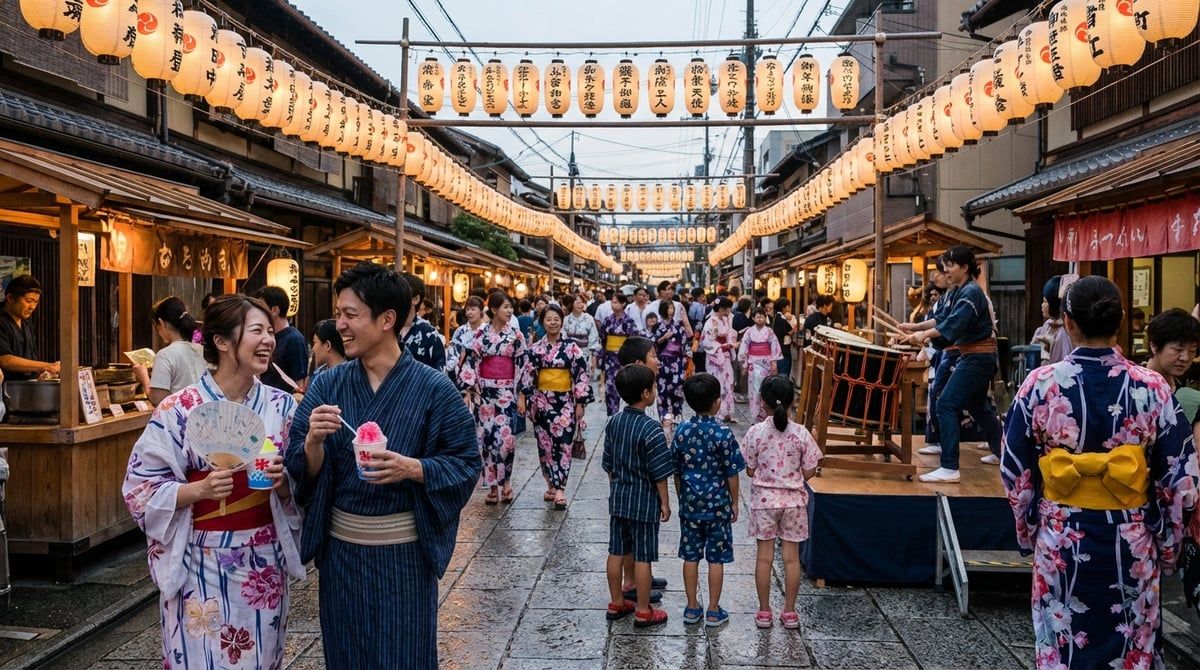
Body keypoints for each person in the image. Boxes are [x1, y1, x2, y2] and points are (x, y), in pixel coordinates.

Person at [285, 262, 480, 668]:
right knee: (346, 655)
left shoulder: (434, 388)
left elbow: (465, 462)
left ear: (387, 319)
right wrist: (313, 442)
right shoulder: (327, 385)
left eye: (350, 314)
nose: (339, 324)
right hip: (342, 554)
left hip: (404, 556)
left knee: (404, 655)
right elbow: (299, 470)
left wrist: (415, 468)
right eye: (339, 313)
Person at [1001, 276, 1199, 670]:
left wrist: (1030, 529)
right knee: (1131, 645)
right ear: (1121, 321)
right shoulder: (1153, 389)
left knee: (1062, 645)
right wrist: (1168, 545)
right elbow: (1180, 480)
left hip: (1061, 538)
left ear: (1068, 323)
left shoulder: (1039, 386)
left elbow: (1015, 472)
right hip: (1130, 540)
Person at [123, 294, 303, 669]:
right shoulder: (178, 409)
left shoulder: (282, 406)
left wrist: (283, 481)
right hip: (197, 559)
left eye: (271, 331)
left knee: (259, 658)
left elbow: (303, 483)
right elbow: (139, 487)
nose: (268, 340)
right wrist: (197, 490)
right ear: (220, 342)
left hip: (263, 561)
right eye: (256, 331)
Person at [901, 246, 1002, 483]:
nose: (945, 270)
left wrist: (923, 337)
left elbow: (954, 325)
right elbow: (944, 319)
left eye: (950, 266)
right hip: (973, 357)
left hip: (978, 357)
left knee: (945, 403)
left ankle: (949, 466)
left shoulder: (971, 292)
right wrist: (916, 328)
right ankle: (1003, 453)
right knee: (978, 407)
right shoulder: (959, 291)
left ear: (965, 267)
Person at [740, 375, 821, 630]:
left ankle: (764, 612)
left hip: (764, 502)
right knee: (791, 560)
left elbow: (749, 469)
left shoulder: (755, 432)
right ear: (792, 401)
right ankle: (789, 612)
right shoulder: (801, 434)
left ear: (762, 403)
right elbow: (810, 470)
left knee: (764, 559)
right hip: (794, 502)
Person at [603, 364, 673, 628]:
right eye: (654, 387)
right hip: (644, 502)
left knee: (616, 551)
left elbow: (608, 464)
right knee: (643, 556)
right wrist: (665, 503)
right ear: (646, 393)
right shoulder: (651, 429)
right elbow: (660, 472)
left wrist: (617, 489)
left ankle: (617, 601)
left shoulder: (614, 423)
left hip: (619, 498)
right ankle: (644, 610)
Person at [673, 373, 745, 627]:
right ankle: (714, 609)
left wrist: (682, 496)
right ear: (716, 403)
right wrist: (734, 502)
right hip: (717, 506)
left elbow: (677, 471)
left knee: (690, 556)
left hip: (691, 504)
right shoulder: (723, 434)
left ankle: (692, 607)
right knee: (716, 558)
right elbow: (732, 473)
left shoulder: (682, 431)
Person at [458, 291, 528, 504]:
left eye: (511, 307)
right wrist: (468, 389)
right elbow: (469, 361)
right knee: (487, 440)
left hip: (507, 392)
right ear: (494, 309)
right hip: (484, 393)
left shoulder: (516, 335)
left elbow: (523, 366)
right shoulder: (481, 334)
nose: (509, 311)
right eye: (505, 307)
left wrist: (522, 395)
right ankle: (492, 486)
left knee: (506, 440)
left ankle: (506, 481)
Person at [524, 304, 593, 509]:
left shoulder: (572, 348)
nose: (553, 323)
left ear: (562, 321)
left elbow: (580, 375)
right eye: (548, 319)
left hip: (565, 403)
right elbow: (528, 375)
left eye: (556, 319)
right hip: (542, 402)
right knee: (545, 446)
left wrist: (580, 403)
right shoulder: (536, 348)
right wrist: (525, 399)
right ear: (542, 322)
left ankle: (560, 487)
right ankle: (550, 483)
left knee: (564, 445)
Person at [132, 296, 208, 406]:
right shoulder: (200, 350)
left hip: (179, 421)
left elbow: (158, 400)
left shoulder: (165, 355)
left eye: (156, 327)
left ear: (162, 323)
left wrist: (143, 376)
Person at [1144, 308, 1200, 423]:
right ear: (1154, 346)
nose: (1185, 358)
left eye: (1192, 351)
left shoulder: (1186, 395)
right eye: (1177, 349)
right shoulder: (1129, 384)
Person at [0, 275, 58, 380]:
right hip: (6, 389)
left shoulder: (26, 321)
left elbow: (31, 356)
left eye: (36, 302)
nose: (32, 307)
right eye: (28, 301)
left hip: (26, 387)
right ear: (10, 298)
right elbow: (5, 360)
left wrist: (42, 372)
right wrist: (47, 366)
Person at [252, 286, 308, 393]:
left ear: (275, 310)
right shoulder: (265, 337)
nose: (257, 312)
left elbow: (299, 383)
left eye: (261, 308)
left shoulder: (294, 339)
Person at [599, 292, 641, 416]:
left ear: (623, 304)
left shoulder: (628, 321)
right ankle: (611, 415)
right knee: (610, 387)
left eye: (616, 302)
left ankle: (625, 414)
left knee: (625, 385)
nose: (614, 304)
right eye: (612, 302)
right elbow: (603, 338)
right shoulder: (607, 320)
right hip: (610, 358)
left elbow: (633, 339)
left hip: (624, 358)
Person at [739, 308, 782, 422]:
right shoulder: (749, 332)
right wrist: (744, 362)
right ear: (753, 318)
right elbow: (744, 346)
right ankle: (755, 414)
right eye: (757, 317)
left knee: (766, 387)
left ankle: (766, 412)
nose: (760, 319)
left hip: (766, 361)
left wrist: (774, 361)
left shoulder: (769, 331)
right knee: (755, 389)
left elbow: (774, 346)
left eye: (762, 317)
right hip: (753, 362)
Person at [400, 273, 446, 371]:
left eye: (399, 293)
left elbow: (440, 375)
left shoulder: (429, 334)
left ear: (415, 299)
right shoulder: (384, 329)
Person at [702, 298, 739, 424]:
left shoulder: (725, 320)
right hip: (716, 357)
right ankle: (717, 413)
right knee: (718, 384)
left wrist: (730, 344)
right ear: (721, 308)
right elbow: (708, 342)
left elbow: (728, 336)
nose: (729, 311)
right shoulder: (711, 322)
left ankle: (728, 412)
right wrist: (727, 346)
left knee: (729, 382)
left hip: (725, 356)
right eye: (727, 308)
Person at [652, 300, 688, 425]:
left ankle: (677, 412)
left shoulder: (679, 325)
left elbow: (684, 343)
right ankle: (664, 413)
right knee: (663, 388)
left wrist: (685, 356)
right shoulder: (658, 326)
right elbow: (654, 342)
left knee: (677, 386)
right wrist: (664, 337)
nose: (671, 310)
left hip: (677, 359)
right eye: (668, 308)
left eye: (672, 308)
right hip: (663, 359)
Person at [1031, 276, 1072, 366]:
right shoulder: (1047, 325)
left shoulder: (1064, 331)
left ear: (1054, 303)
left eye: (1045, 302)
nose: (1042, 305)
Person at [446, 296, 485, 378]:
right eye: (468, 309)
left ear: (481, 311)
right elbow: (453, 352)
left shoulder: (487, 331)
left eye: (473, 309)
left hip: (483, 375)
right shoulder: (460, 331)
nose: (469, 312)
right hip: (462, 374)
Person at [563, 294, 600, 375]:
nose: (580, 305)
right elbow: (563, 337)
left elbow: (594, 338)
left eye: (582, 303)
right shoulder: (566, 320)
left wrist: (594, 358)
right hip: (570, 354)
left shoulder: (589, 318)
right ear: (571, 304)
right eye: (578, 303)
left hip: (585, 353)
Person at [308, 319, 347, 384]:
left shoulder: (351, 375)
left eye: (314, 343)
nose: (313, 349)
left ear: (327, 345)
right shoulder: (318, 373)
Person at [771, 298, 796, 379]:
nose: (789, 309)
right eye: (788, 307)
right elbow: (790, 332)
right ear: (783, 308)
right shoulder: (782, 319)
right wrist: (796, 326)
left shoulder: (776, 317)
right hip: (783, 349)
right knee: (783, 373)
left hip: (778, 347)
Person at [689, 288, 709, 374]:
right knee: (699, 355)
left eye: (703, 296)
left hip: (695, 333)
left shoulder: (693, 305)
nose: (703, 298)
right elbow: (699, 320)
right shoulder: (698, 306)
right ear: (696, 298)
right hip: (698, 333)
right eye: (701, 297)